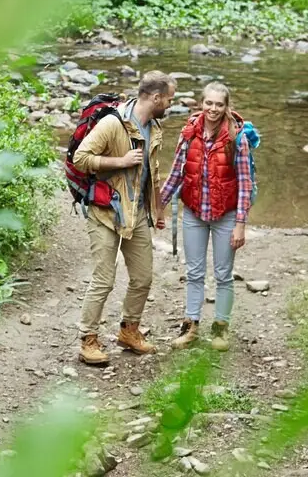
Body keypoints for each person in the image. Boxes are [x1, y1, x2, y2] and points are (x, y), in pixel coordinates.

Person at [70, 70, 178, 366]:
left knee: (143, 277)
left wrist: (158, 209)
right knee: (104, 279)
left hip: (138, 213)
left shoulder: (153, 128)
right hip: (104, 212)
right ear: (155, 97)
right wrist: (120, 161)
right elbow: (81, 158)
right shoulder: (111, 123)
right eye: (169, 99)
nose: (170, 104)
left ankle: (129, 331)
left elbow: (152, 172)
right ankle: (88, 339)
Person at [159, 81, 252, 352]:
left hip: (226, 214)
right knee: (194, 272)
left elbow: (245, 183)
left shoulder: (237, 137)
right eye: (208, 103)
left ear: (226, 106)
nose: (213, 109)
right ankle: (191, 327)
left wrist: (240, 225)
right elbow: (177, 172)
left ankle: (221, 329)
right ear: (201, 103)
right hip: (194, 212)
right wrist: (158, 206)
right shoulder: (189, 133)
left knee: (223, 275)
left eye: (219, 104)